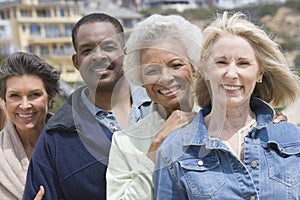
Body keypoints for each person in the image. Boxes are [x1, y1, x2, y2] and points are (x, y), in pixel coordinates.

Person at [154, 11, 300, 199]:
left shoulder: (294, 140)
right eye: (221, 62)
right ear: (205, 70)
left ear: (260, 73)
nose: (231, 74)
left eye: (243, 63)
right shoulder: (173, 152)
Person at [23, 13, 151, 200]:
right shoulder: (57, 137)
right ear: (76, 62)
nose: (98, 56)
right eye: (87, 50)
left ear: (126, 52)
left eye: (109, 47)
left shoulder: (163, 109)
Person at [106, 14, 202, 200]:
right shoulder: (124, 142)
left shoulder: (223, 125)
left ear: (194, 67)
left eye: (176, 65)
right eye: (151, 71)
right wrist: (157, 146)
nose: (165, 78)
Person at [0, 51, 60, 200]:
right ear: (4, 100)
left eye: (34, 95)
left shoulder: (72, 145)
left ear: (50, 97)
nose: (25, 105)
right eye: (15, 95)